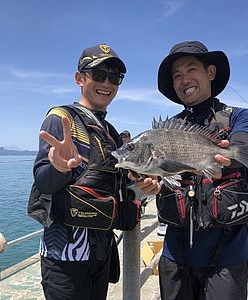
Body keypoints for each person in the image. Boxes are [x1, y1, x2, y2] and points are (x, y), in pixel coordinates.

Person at [30, 43, 159, 300]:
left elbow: (116, 186)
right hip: (65, 254)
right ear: (80, 78)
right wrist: (57, 167)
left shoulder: (110, 132)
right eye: (99, 75)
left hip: (100, 250)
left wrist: (142, 188)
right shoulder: (61, 119)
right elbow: (44, 181)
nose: (107, 83)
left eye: (115, 77)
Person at [152, 41, 248, 299]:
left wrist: (230, 154)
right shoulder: (165, 131)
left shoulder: (240, 117)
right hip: (175, 256)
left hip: (228, 256)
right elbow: (155, 173)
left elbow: (243, 145)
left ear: (210, 73)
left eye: (191, 70)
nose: (184, 79)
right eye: (177, 75)